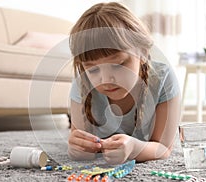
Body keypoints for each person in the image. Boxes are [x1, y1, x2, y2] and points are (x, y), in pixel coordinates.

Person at [68, 2, 181, 164]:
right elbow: (79, 143)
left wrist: (135, 148)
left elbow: (163, 148)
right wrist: (78, 150)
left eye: (118, 65)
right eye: (93, 70)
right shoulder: (82, 83)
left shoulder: (163, 78)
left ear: (142, 53)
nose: (106, 80)